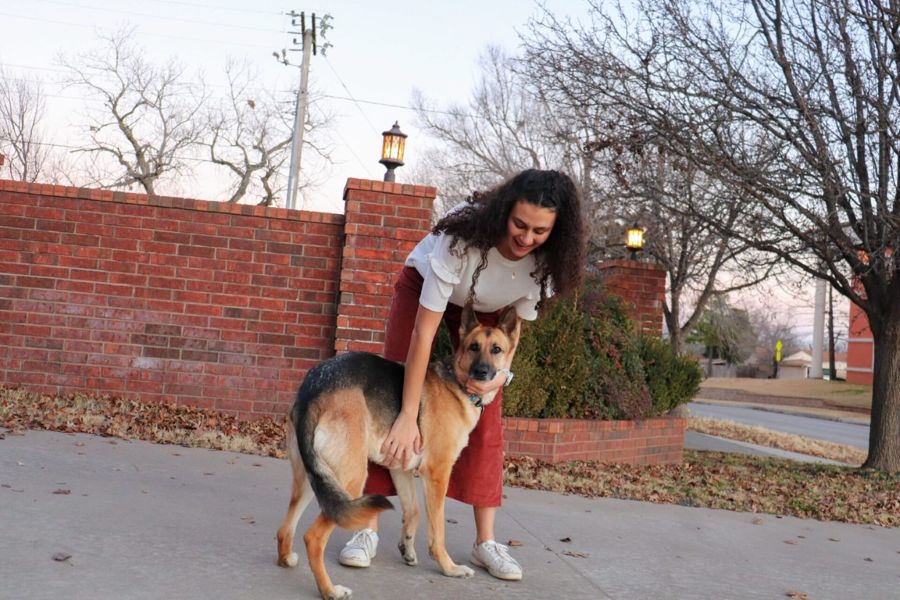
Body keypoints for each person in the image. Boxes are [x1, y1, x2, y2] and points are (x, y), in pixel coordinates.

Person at [339, 168, 586, 581]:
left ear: (556, 231)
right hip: (427, 289)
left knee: (486, 421)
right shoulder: (462, 237)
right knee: (393, 399)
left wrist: (497, 378)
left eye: (540, 231)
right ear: (503, 212)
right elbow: (423, 334)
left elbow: (513, 333)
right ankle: (367, 529)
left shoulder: (545, 267)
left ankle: (485, 541)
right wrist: (406, 415)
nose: (526, 238)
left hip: (489, 312)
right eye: (519, 224)